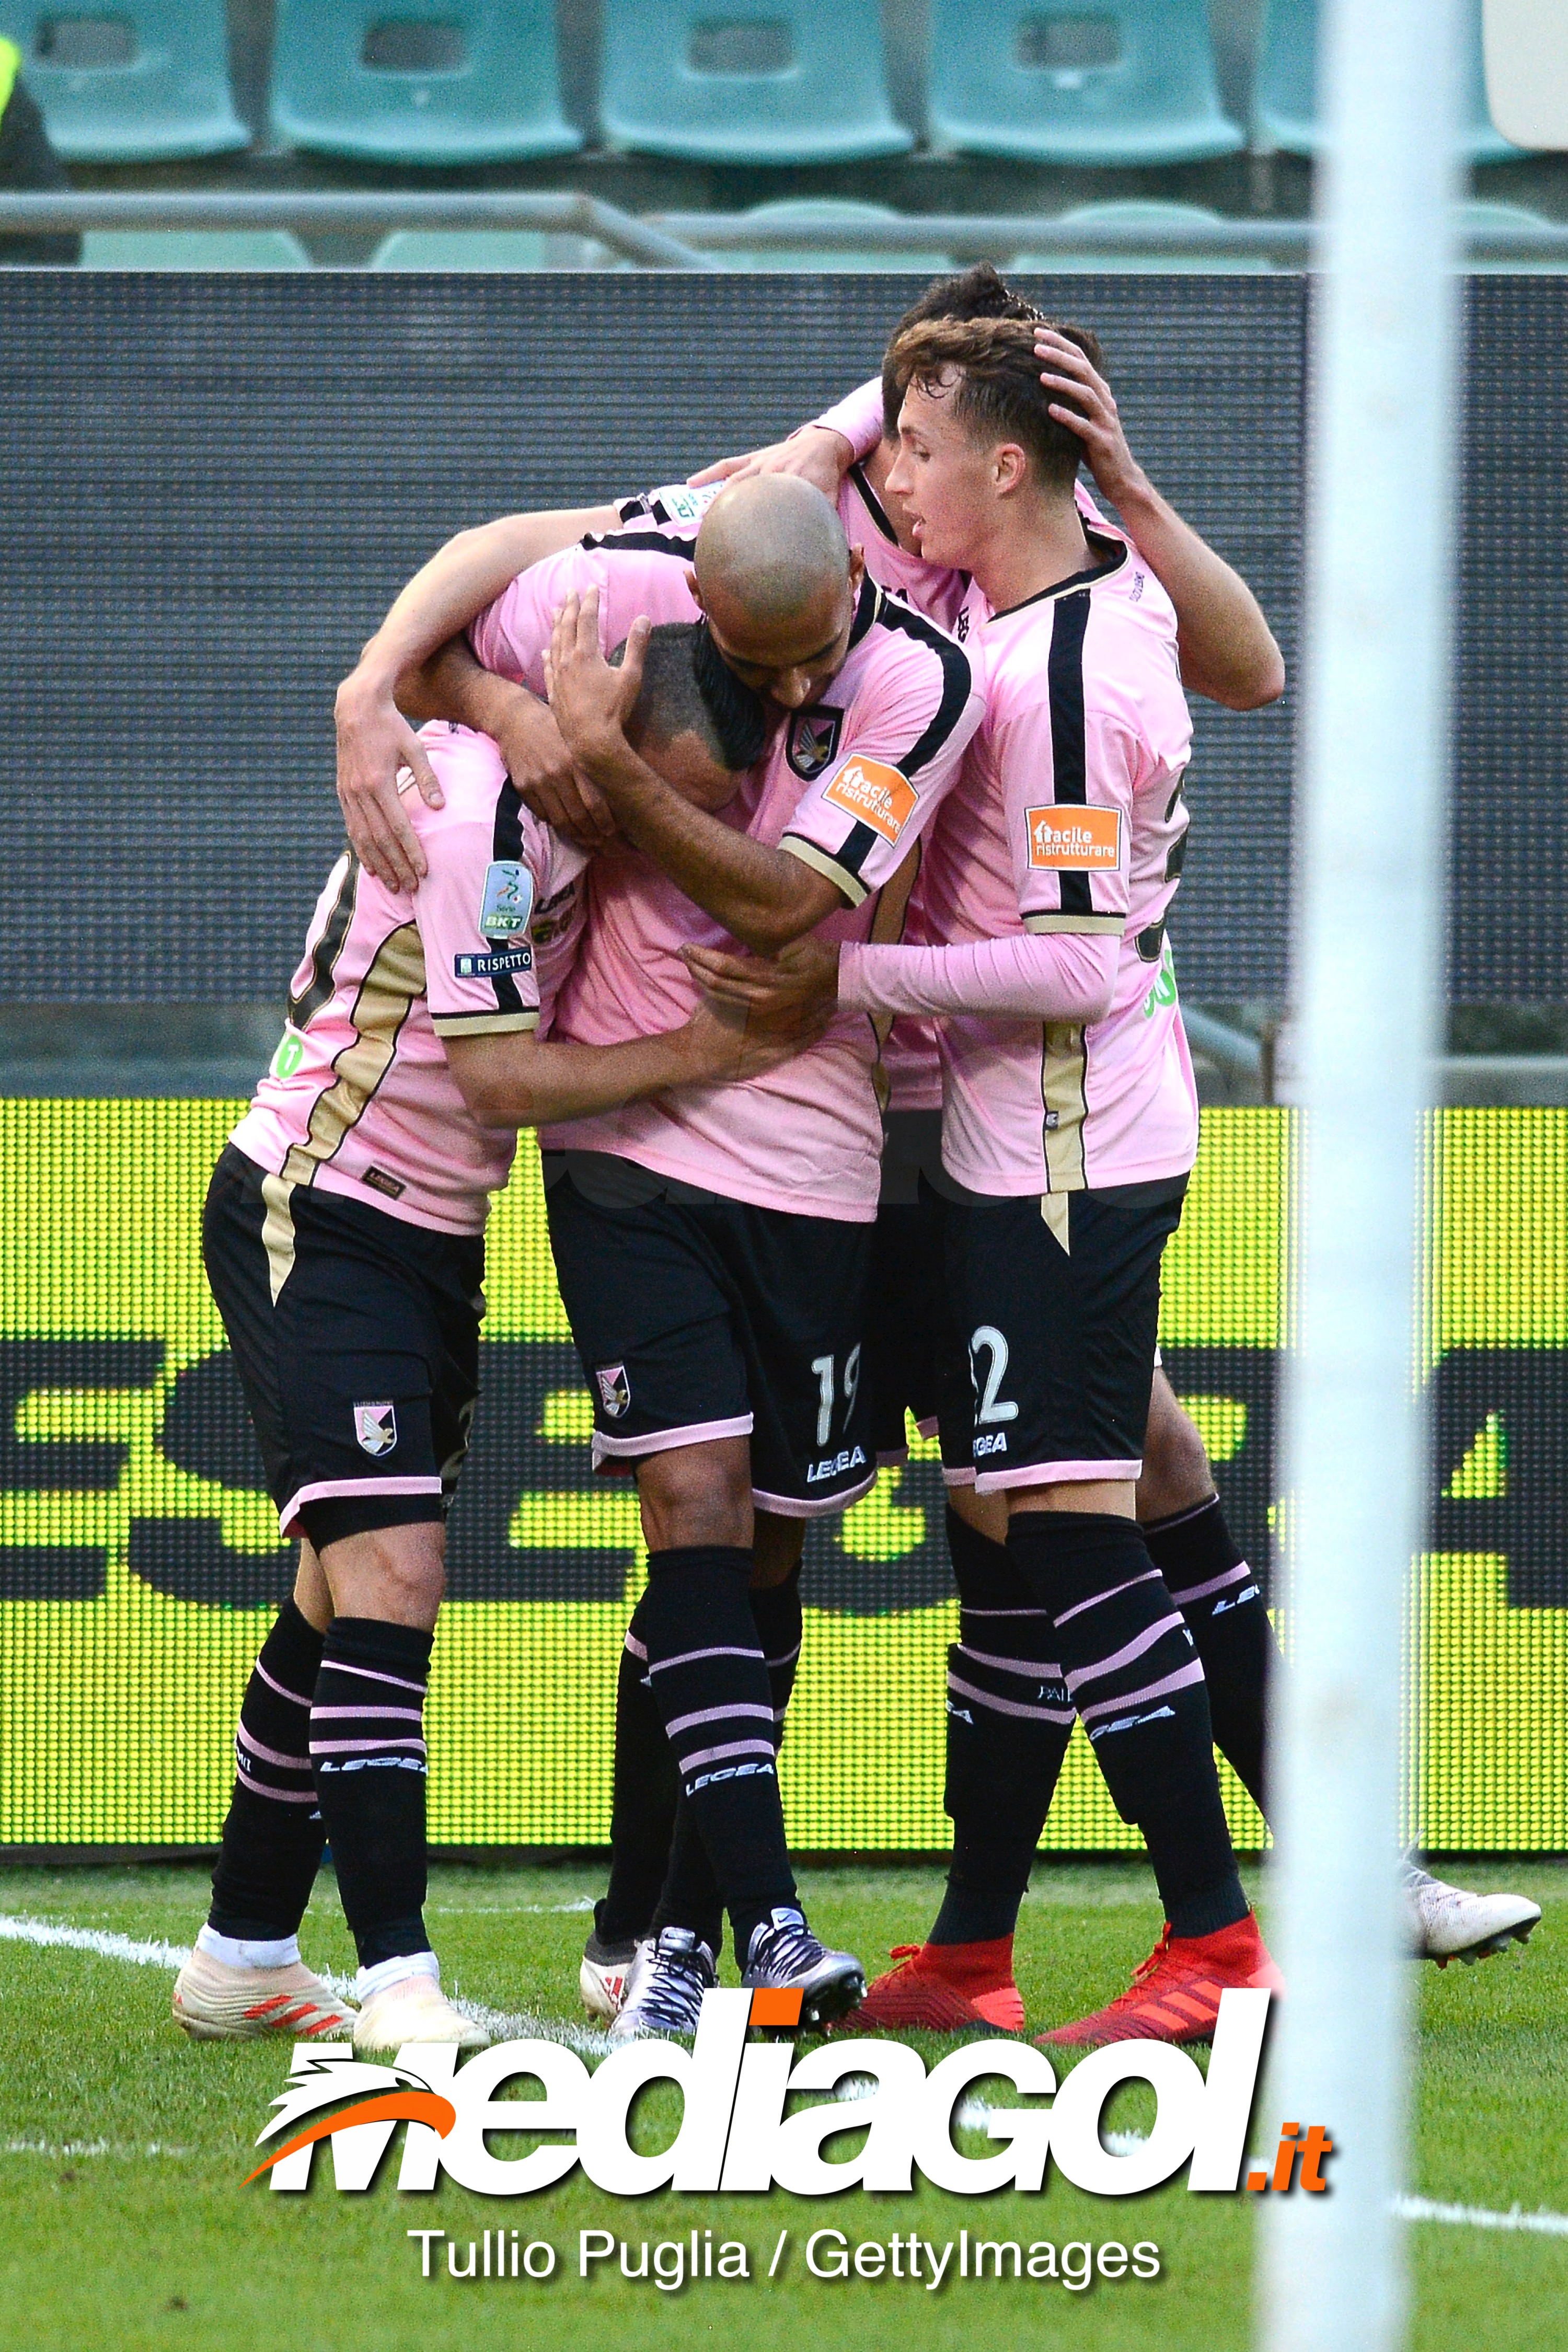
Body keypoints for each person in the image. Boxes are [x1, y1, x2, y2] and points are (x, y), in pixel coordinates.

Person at [336, 475, 984, 2037]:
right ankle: (760, 1923)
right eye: (756, 664)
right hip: (627, 1146)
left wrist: (606, 767)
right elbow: (463, 596)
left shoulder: (913, 677)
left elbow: (786, 907)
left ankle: (672, 1925)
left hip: (819, 1157)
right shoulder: (611, 596)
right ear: (691, 601)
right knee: (688, 1499)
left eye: (801, 657)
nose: (785, 688)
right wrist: (476, 702)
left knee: (766, 1555)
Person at [171, 630, 821, 2055]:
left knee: (340, 1591)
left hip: (433, 1234)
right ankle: (397, 1970)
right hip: (322, 1200)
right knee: (395, 1572)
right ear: (614, 744)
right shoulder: (481, 820)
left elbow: (562, 540)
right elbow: (498, 1074)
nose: (689, 829)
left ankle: (242, 1945)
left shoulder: (578, 751)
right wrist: (701, 1057)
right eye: (681, 796)